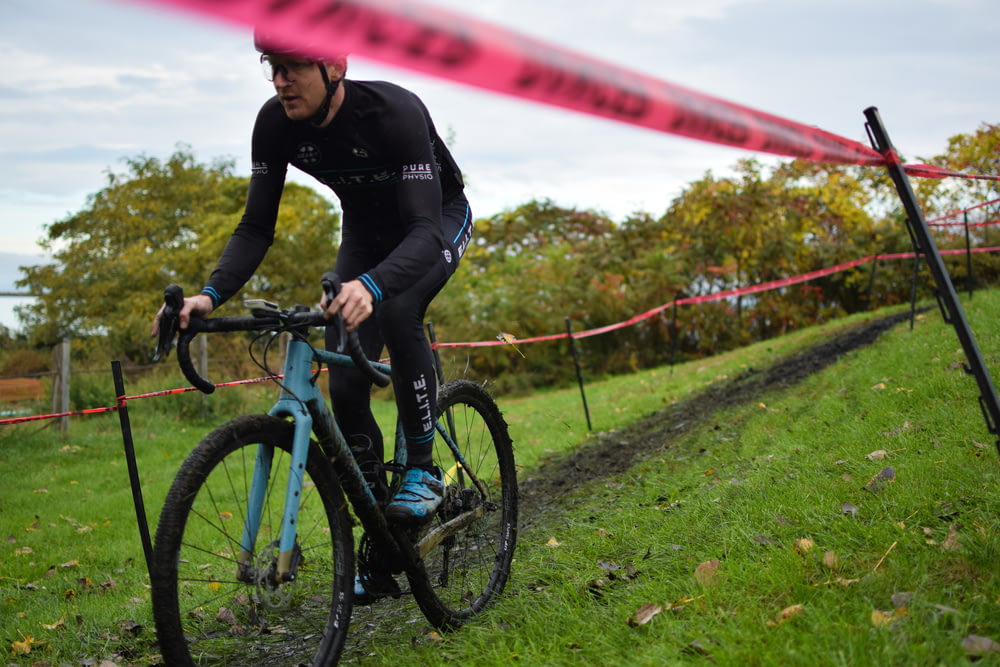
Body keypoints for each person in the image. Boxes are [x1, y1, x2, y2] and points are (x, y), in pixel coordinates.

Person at [152, 31, 473, 535]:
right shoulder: (274, 124)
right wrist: (208, 295)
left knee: (396, 306)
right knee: (345, 379)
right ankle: (381, 529)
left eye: (294, 68)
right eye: (272, 68)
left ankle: (423, 469)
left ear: (335, 66)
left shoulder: (395, 112)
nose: (281, 82)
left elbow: (424, 229)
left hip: (434, 220)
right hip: (366, 236)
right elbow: (256, 227)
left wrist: (371, 284)